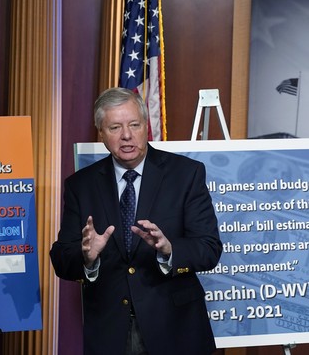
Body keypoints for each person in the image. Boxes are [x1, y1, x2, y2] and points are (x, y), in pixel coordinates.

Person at [49, 87, 222, 355]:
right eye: (115, 127)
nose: (126, 135)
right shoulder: (80, 186)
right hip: (110, 333)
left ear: (146, 126)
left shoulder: (186, 174)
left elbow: (209, 248)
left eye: (134, 125)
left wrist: (169, 250)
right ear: (101, 133)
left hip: (176, 329)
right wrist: (88, 258)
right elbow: (61, 257)